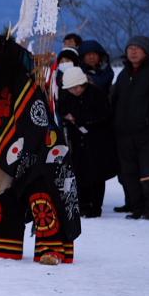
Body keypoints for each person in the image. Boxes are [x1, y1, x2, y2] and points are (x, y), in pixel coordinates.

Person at [110, 36, 149, 220]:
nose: (133, 51)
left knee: (148, 173)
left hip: (147, 134)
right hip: (124, 134)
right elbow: (114, 100)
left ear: (145, 51)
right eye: (130, 48)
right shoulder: (123, 74)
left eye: (137, 48)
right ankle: (136, 207)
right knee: (128, 173)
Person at [59, 66, 116, 218]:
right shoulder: (67, 96)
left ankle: (95, 206)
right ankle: (83, 204)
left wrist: (79, 119)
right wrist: (67, 117)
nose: (76, 90)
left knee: (96, 175)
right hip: (77, 141)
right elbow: (62, 109)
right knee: (79, 172)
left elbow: (104, 115)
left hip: (97, 140)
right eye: (72, 88)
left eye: (78, 87)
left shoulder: (96, 94)